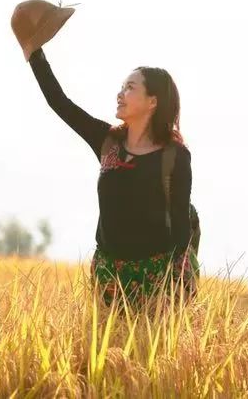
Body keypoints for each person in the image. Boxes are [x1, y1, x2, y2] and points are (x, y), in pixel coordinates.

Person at [28, 46, 199, 309]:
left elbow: (180, 227)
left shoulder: (174, 156)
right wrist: (34, 53)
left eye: (130, 87)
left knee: (148, 349)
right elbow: (59, 102)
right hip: (108, 277)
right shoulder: (108, 142)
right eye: (121, 87)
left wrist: (173, 289)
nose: (120, 94)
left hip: (155, 279)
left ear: (153, 101)